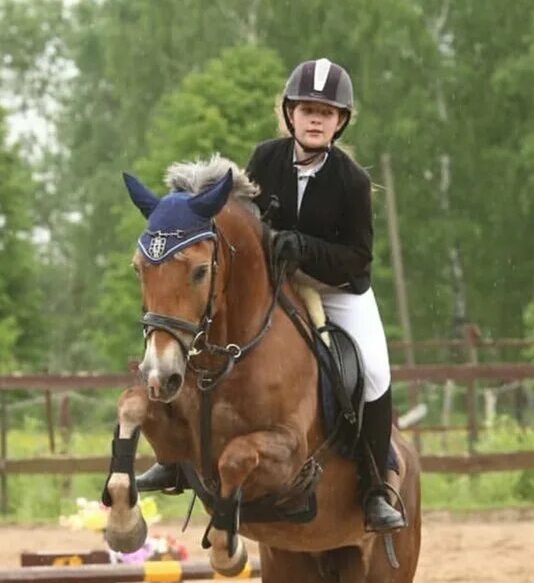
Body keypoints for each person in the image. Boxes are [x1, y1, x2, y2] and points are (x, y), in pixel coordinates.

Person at [137, 57, 406, 533]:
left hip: (337, 287)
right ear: (290, 114)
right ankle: (177, 457)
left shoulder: (352, 181)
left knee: (374, 371)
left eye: (327, 111)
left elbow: (359, 259)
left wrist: (304, 248)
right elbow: (244, 226)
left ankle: (375, 486)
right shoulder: (265, 159)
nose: (316, 118)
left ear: (340, 121)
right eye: (307, 109)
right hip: (276, 283)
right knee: (201, 337)